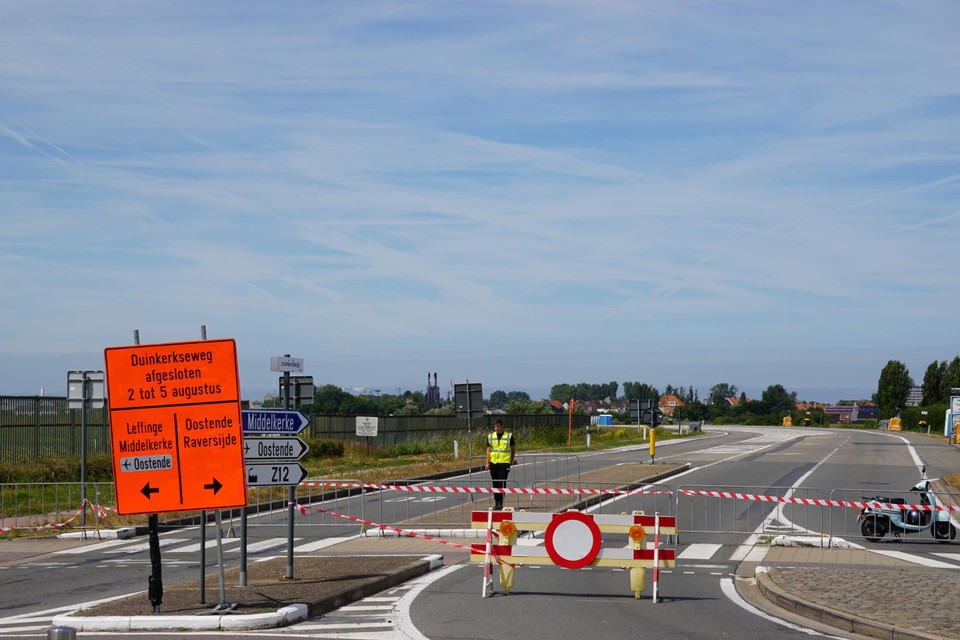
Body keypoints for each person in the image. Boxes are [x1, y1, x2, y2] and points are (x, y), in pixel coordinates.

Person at [485, 419, 516, 510]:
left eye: (498, 426)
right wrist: (487, 463)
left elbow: (513, 449)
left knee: (502, 482)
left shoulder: (509, 436)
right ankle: (497, 502)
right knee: (495, 483)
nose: (496, 428)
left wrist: (510, 461)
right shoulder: (490, 436)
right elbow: (488, 450)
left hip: (504, 462)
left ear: (502, 426)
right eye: (495, 426)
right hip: (494, 462)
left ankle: (501, 502)